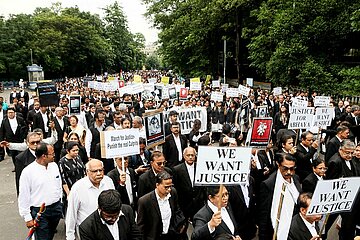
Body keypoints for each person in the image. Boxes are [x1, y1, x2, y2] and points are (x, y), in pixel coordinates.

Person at [18, 142, 63, 240]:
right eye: (52, 154)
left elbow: (58, 184)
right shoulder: (28, 172)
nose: (54, 155)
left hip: (56, 209)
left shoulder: (54, 166)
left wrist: (60, 202)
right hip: (40, 212)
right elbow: (23, 196)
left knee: (50, 236)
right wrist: (27, 217)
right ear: (44, 156)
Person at [66, 159, 115, 240]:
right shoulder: (77, 188)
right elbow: (71, 213)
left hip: (108, 227)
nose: (99, 173)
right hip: (88, 231)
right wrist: (70, 236)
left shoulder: (108, 181)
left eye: (101, 170)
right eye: (95, 171)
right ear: (87, 172)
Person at [257, 153, 301, 240]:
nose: (289, 172)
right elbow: (263, 214)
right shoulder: (268, 184)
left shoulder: (296, 178)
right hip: (276, 230)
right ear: (278, 164)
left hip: (294, 229)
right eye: (285, 168)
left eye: (292, 169)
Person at [137, 171, 186, 240]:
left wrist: (179, 226)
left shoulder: (173, 193)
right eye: (166, 187)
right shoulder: (144, 201)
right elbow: (141, 226)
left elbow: (177, 210)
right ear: (157, 185)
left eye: (170, 186)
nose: (169, 190)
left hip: (171, 235)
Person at [325, 140, 358, 240]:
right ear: (340, 150)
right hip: (339, 200)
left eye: (352, 153)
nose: (350, 155)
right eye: (347, 152)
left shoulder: (351, 159)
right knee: (328, 224)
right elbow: (330, 183)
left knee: (348, 226)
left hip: (350, 199)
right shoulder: (335, 162)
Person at [173, 147, 206, 226]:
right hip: (184, 205)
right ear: (184, 156)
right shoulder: (177, 169)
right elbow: (176, 187)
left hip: (199, 204)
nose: (190, 157)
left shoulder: (200, 167)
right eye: (188, 155)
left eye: (192, 155)